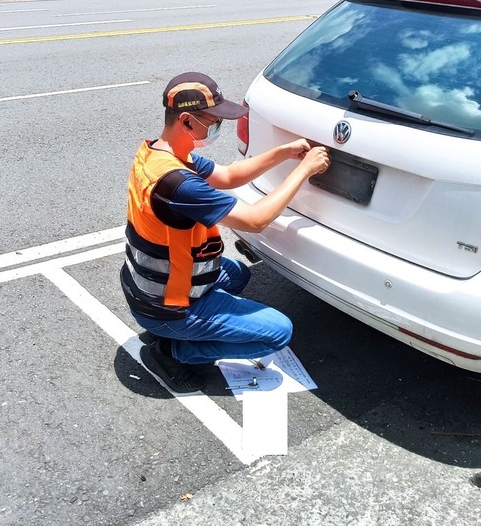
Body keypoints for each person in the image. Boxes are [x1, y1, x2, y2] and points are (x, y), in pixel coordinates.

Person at [121, 71, 330, 393]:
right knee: (277, 333)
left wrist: (284, 152)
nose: (219, 125)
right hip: (165, 305)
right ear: (188, 121)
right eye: (214, 119)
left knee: (236, 275)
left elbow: (230, 175)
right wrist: (304, 170)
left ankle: (179, 330)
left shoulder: (158, 154)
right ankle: (174, 350)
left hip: (148, 286)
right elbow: (255, 220)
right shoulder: (177, 184)